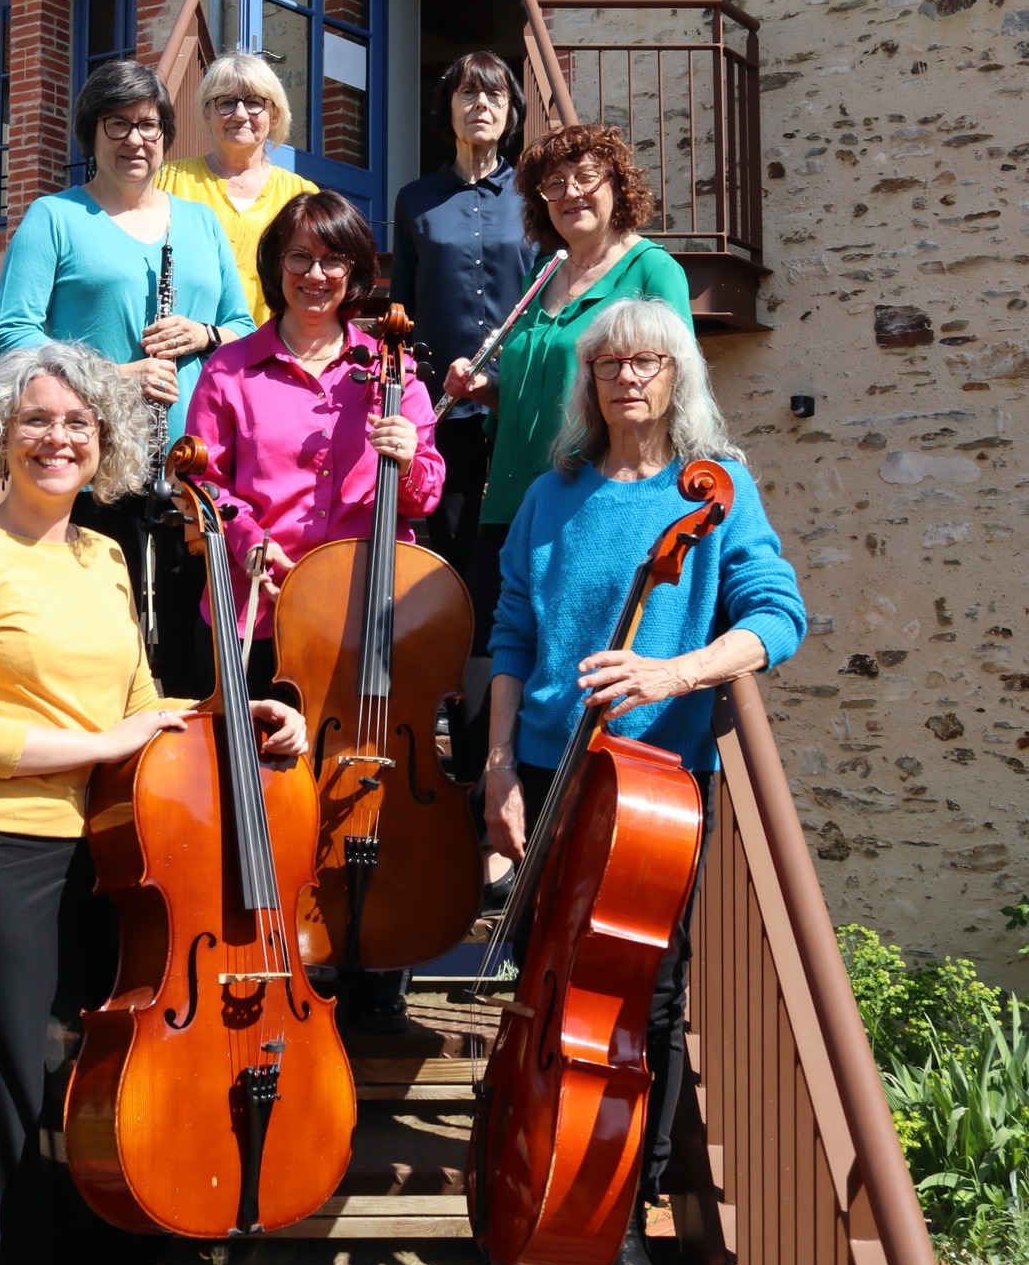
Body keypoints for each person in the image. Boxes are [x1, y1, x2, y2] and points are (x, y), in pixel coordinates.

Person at [0, 342, 307, 1265]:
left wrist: (241, 718)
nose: (58, 436)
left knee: (75, 1096)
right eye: (35, 418)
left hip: (89, 860)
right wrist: (99, 748)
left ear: (105, 441)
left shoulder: (103, 556)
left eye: (78, 421)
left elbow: (135, 705)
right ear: (2, 432)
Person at [470, 297, 805, 1265]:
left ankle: (618, 1226)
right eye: (609, 362)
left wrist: (672, 672)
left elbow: (776, 617)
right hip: (550, 773)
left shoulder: (715, 489)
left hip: (653, 793)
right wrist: (496, 769)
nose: (627, 377)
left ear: (679, 376)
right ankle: (510, 1221)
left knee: (644, 1014)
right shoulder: (552, 492)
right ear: (590, 382)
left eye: (648, 361)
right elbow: (513, 636)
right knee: (538, 997)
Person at [186, 189, 444, 1031]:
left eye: (332, 259)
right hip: (263, 623)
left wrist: (413, 454)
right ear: (274, 270)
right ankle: (273, 968)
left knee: (365, 788)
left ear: (355, 272)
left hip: (367, 623)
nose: (315, 274)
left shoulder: (389, 369)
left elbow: (427, 494)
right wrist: (249, 537)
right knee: (267, 802)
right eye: (298, 258)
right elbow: (201, 484)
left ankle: (376, 974)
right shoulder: (231, 371)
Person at [442, 121, 695, 875]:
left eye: (586, 177)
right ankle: (502, 815)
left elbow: (669, 388)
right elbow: (542, 387)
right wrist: (486, 389)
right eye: (551, 184)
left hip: (593, 500)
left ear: (618, 187)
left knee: (567, 657)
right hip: (512, 501)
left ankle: (561, 842)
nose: (568, 194)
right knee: (496, 662)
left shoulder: (650, 270)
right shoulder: (543, 276)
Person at [0, 59, 254, 695]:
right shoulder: (54, 217)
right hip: (93, 465)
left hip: (193, 470)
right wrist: (114, 376)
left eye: (151, 125)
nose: (137, 139)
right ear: (91, 134)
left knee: (192, 647)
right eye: (119, 125)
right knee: (106, 642)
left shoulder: (200, 223)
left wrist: (205, 334)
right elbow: (9, 336)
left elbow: (244, 326)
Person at [389, 51, 533, 787]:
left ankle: (494, 754)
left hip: (517, 418)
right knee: (446, 569)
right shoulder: (415, 200)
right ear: (445, 107)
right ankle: (451, 741)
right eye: (467, 92)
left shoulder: (534, 197)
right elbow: (403, 318)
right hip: (442, 421)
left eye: (495, 93)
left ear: (511, 112)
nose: (481, 104)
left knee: (504, 570)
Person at [159, 48, 316, 324]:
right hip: (187, 354)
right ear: (207, 113)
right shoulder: (166, 181)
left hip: (273, 357)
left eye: (255, 102)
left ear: (274, 115)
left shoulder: (302, 196)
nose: (240, 114)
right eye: (226, 102)